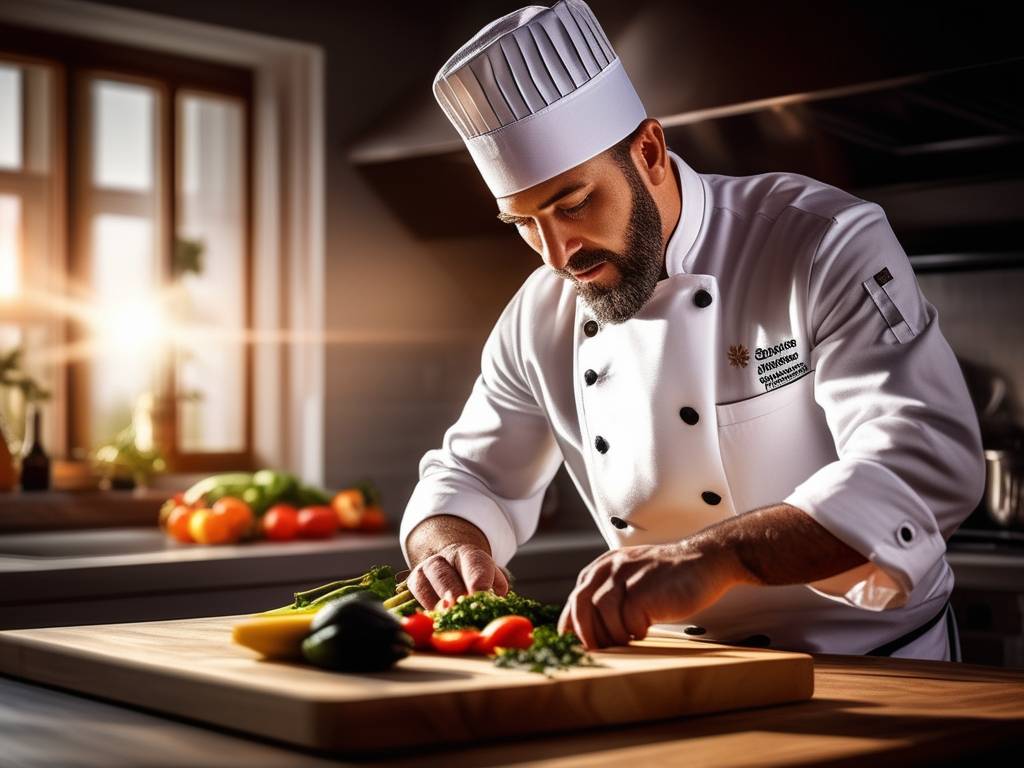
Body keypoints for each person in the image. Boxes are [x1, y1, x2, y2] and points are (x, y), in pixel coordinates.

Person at [399, 0, 984, 660]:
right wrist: (449, 549)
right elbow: (471, 479)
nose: (557, 252)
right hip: (679, 667)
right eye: (526, 224)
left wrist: (716, 557)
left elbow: (924, 459)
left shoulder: (818, 241)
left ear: (648, 150)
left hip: (872, 667)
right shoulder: (540, 314)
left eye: (574, 203)